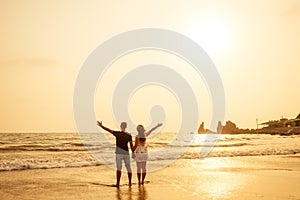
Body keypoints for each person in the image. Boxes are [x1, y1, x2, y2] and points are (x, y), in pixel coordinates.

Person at [97, 121, 134, 188]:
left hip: (119, 153)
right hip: (126, 153)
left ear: (120, 126)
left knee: (119, 168)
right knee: (128, 168)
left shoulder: (117, 133)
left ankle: (118, 184)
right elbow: (131, 146)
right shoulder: (129, 135)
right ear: (126, 127)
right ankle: (130, 183)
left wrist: (101, 126)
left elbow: (108, 130)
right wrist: (133, 153)